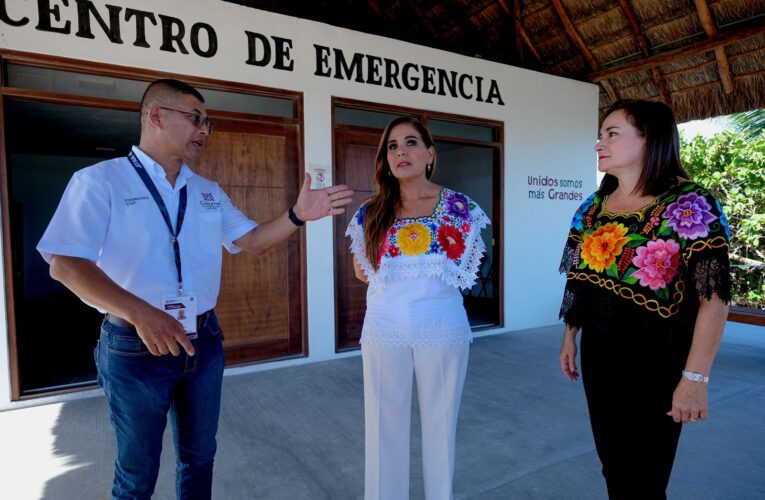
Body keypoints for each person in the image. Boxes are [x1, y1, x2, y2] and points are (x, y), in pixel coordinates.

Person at [36, 79, 353, 500]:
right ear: (156, 116)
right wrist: (142, 313)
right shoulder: (100, 181)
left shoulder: (207, 192)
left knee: (200, 459)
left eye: (208, 122)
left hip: (203, 340)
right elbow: (65, 264)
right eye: (195, 118)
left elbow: (250, 240)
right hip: (134, 345)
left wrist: (296, 215)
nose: (204, 130)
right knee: (136, 475)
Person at [558, 99, 731, 499]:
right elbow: (581, 277)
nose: (599, 143)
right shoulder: (592, 207)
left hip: (659, 359)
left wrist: (695, 379)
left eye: (612, 134)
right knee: (614, 468)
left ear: (649, 139)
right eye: (599, 135)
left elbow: (714, 299)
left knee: (645, 479)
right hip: (600, 354)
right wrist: (571, 333)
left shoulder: (690, 204)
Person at [346, 116, 490, 500]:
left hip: (442, 328)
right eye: (392, 146)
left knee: (441, 430)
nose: (400, 152)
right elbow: (362, 271)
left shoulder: (459, 207)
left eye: (410, 143)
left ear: (430, 153)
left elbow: (466, 273)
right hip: (383, 328)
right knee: (382, 428)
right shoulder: (371, 210)